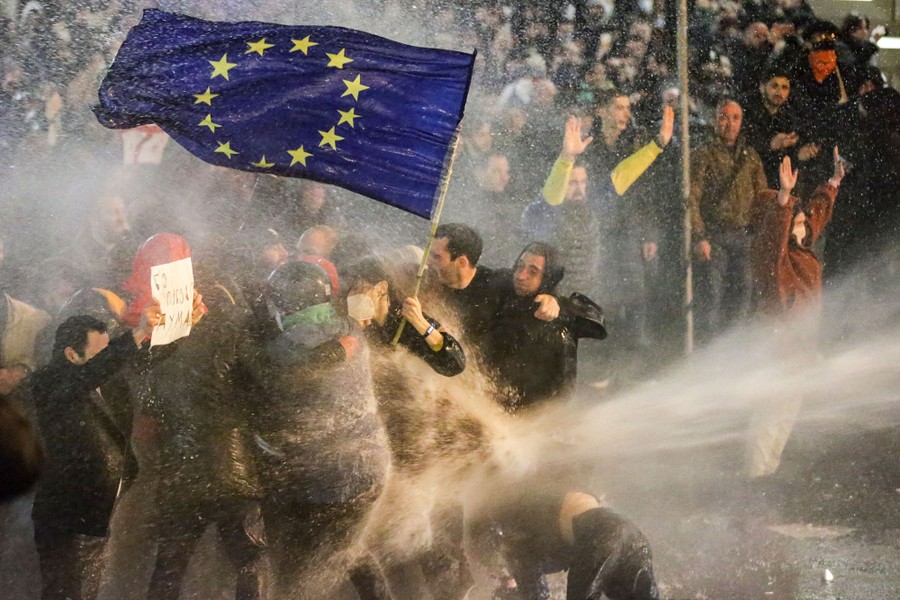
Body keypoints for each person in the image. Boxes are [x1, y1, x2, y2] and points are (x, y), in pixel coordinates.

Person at [250, 260, 388, 599]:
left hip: (326, 476)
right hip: (370, 467)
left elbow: (274, 378)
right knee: (349, 548)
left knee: (300, 560)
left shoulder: (284, 349)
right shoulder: (351, 330)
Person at [30, 303, 160, 600]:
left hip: (97, 517)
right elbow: (90, 374)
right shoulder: (50, 382)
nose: (107, 360)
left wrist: (176, 326)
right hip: (67, 519)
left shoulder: (107, 383)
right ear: (71, 355)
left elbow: (140, 361)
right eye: (100, 353)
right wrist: (136, 333)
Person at [745, 151, 843, 478]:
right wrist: (783, 199)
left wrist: (832, 183)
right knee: (772, 408)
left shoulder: (799, 246)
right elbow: (775, 235)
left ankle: (768, 468)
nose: (802, 222)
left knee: (788, 409)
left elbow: (815, 214)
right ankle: (756, 472)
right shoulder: (771, 254)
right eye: (793, 219)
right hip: (779, 342)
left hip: (800, 343)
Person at [464, 469, 660, 600]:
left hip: (601, 535)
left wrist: (513, 587)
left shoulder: (515, 538)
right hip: (626, 533)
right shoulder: (527, 537)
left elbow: (533, 589)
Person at [485, 243, 606, 412]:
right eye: (520, 266)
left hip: (531, 413)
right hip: (491, 395)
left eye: (532, 272)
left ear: (548, 279)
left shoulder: (556, 322)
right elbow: (480, 275)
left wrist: (560, 305)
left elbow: (597, 322)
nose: (521, 275)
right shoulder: (506, 289)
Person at [688, 98, 767, 340]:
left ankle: (735, 347)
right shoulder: (703, 155)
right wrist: (700, 236)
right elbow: (692, 198)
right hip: (716, 235)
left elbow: (762, 196)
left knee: (743, 293)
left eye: (735, 118)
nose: (729, 123)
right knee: (713, 294)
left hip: (744, 235)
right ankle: (710, 347)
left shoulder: (750, 156)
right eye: (724, 117)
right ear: (714, 120)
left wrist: (760, 233)